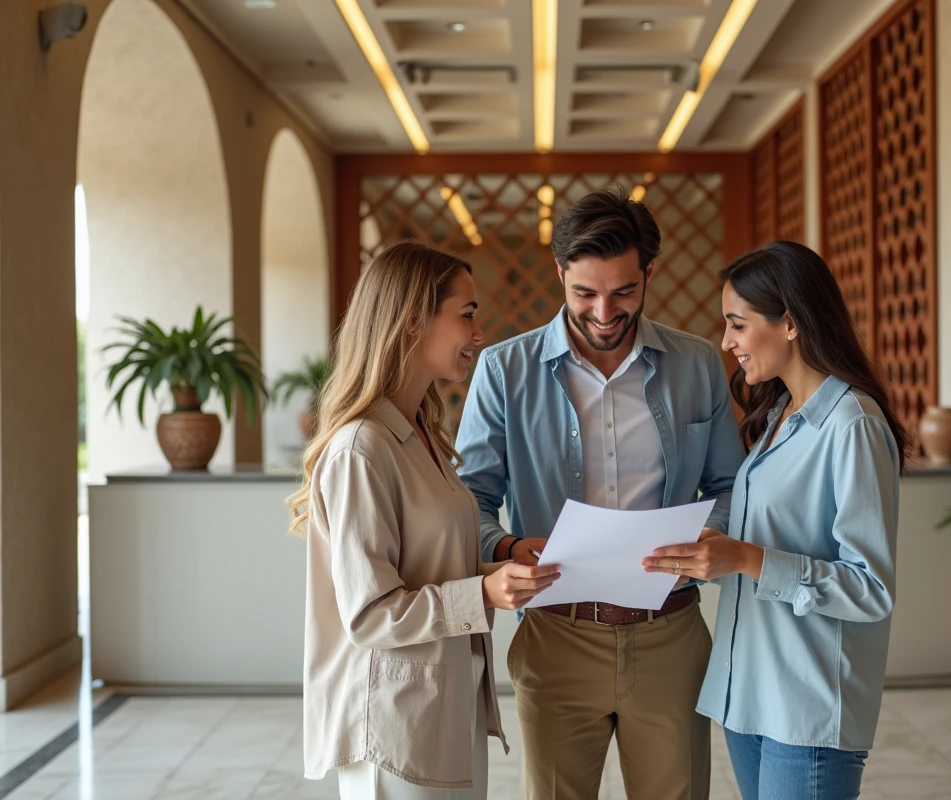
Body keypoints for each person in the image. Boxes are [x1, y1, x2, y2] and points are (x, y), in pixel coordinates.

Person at [456, 187, 745, 800]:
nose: (605, 312)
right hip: (556, 637)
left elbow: (728, 486)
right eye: (584, 292)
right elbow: (470, 498)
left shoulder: (697, 365)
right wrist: (506, 545)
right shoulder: (503, 371)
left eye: (624, 292)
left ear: (648, 273)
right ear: (559, 273)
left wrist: (706, 535)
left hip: (671, 635)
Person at [289, 241, 560, 799]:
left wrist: (502, 561)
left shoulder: (417, 437)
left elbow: (424, 563)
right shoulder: (361, 449)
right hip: (394, 724)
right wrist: (484, 591)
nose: (479, 333)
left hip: (445, 704)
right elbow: (369, 614)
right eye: (466, 315)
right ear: (413, 320)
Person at [643, 241, 906, 800]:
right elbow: (764, 543)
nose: (726, 342)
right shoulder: (775, 420)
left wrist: (746, 558)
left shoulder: (851, 425)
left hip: (807, 707)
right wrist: (713, 552)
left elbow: (871, 588)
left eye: (738, 324)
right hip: (749, 695)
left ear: (790, 322)